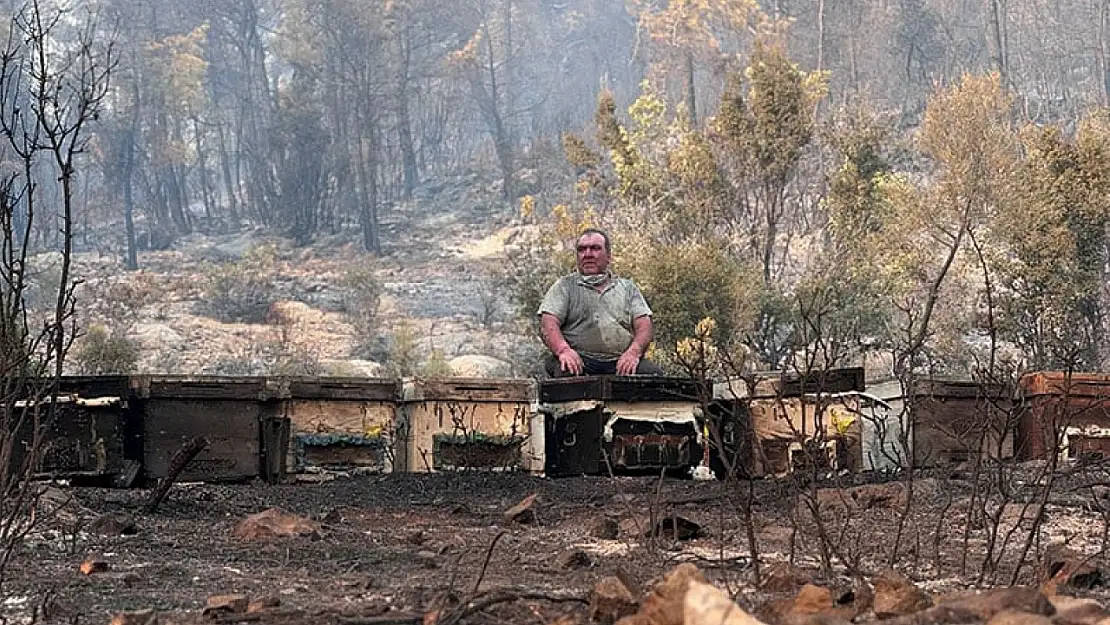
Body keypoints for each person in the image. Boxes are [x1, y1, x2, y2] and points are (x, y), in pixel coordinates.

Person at [537, 228, 664, 377]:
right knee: (565, 374)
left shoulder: (628, 288)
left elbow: (644, 325)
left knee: (653, 376)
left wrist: (633, 353)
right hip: (579, 360)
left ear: (608, 256)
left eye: (595, 248)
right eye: (582, 249)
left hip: (620, 362)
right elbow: (548, 323)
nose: (588, 254)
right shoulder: (564, 287)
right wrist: (563, 351)